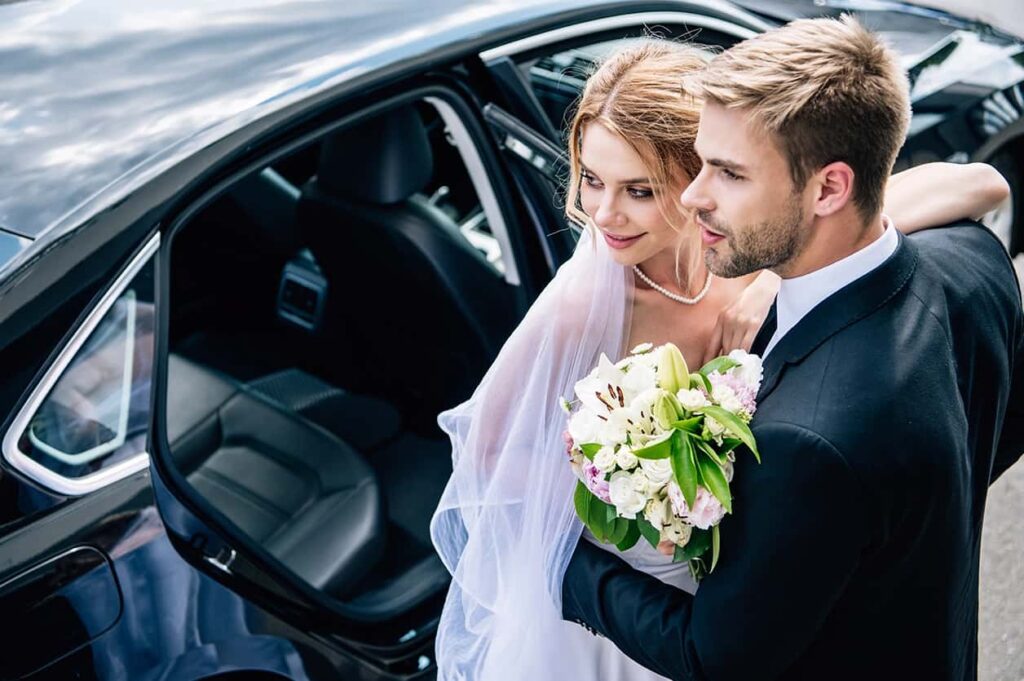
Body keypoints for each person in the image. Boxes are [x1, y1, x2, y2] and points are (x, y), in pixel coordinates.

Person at [430, 36, 1013, 680]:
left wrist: (768, 283)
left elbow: (974, 185)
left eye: (641, 190)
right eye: (592, 179)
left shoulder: (759, 251)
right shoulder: (585, 308)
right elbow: (486, 458)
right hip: (639, 600)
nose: (602, 213)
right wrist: (599, 510)